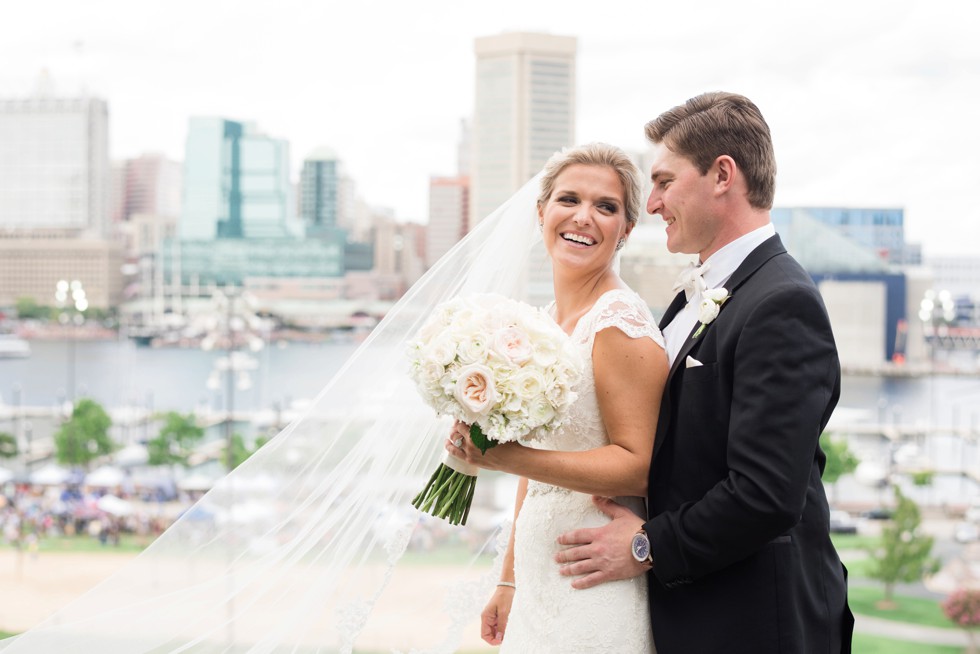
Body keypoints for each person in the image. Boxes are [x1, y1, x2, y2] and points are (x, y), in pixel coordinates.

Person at [555, 92, 855, 653]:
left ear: (722, 175)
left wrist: (645, 546)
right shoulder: (694, 293)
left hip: (754, 624)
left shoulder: (782, 303)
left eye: (665, 183)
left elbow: (766, 494)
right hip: (689, 613)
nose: (654, 204)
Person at [446, 142, 668, 651]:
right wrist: (509, 579)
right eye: (569, 199)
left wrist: (504, 455)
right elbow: (537, 471)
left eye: (606, 207)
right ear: (542, 212)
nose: (584, 217)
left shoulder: (619, 325)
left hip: (594, 572)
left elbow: (639, 466)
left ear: (626, 230)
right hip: (538, 570)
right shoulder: (542, 326)